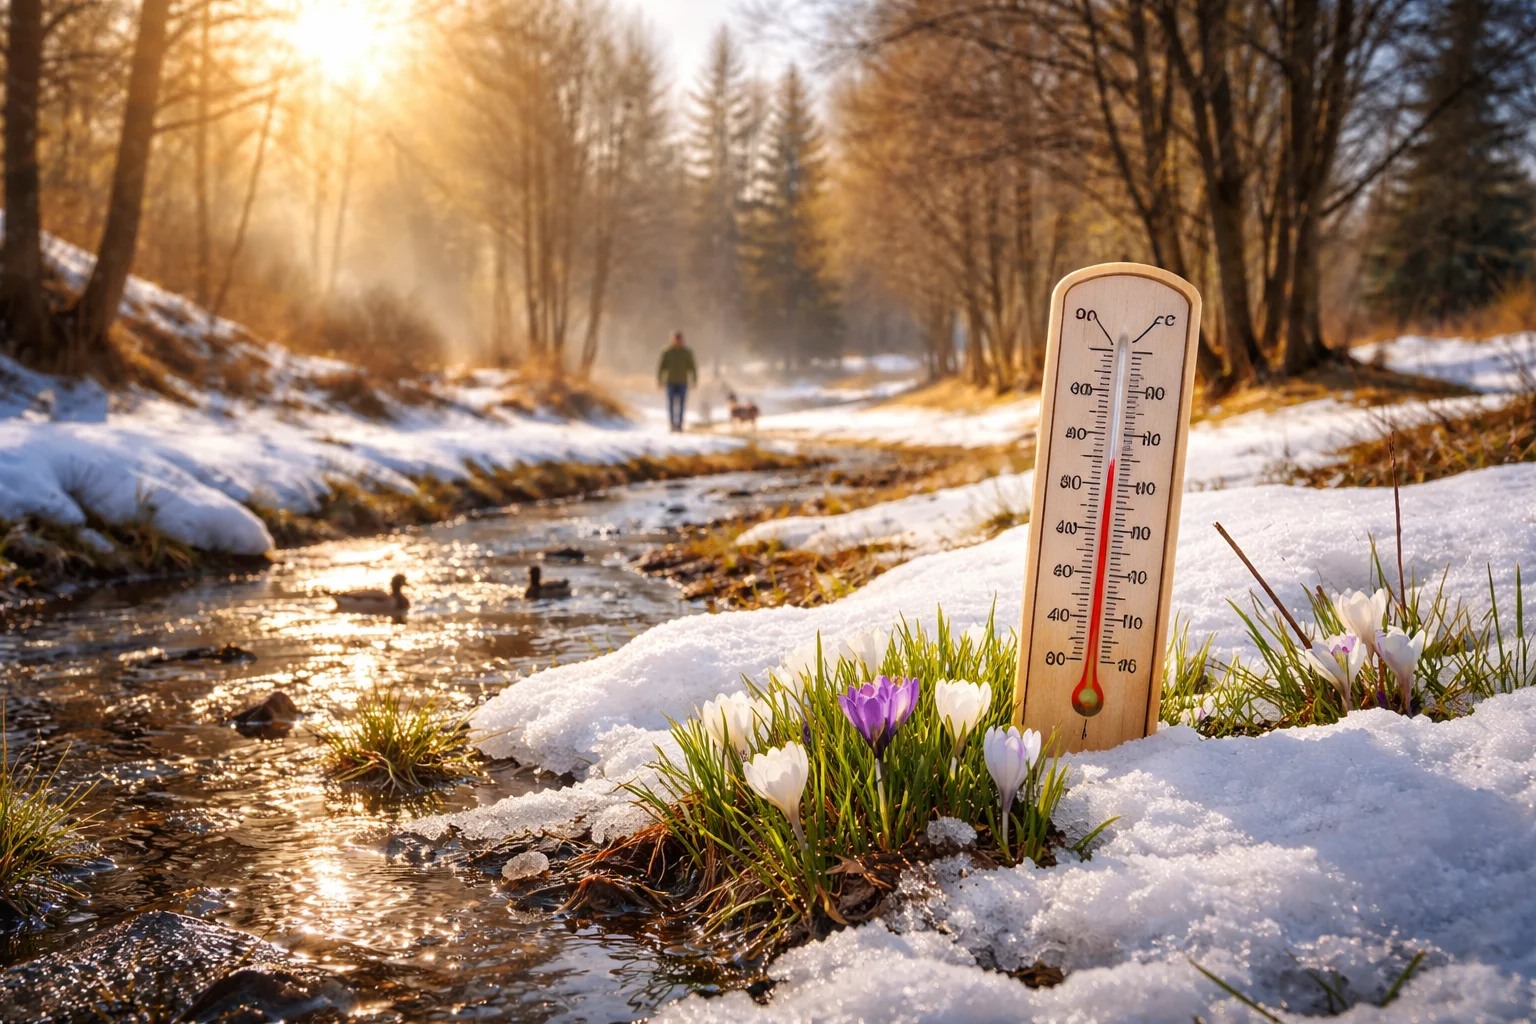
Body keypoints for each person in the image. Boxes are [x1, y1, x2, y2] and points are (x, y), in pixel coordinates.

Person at [657, 330, 698, 432]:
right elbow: (661, 367)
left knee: (681, 404)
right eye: (676, 339)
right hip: (670, 382)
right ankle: (672, 424)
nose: (678, 341)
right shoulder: (667, 352)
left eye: (680, 339)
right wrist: (660, 380)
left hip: (683, 382)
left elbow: (693, 367)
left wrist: (694, 381)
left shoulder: (687, 352)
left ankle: (679, 425)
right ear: (673, 339)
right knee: (671, 404)